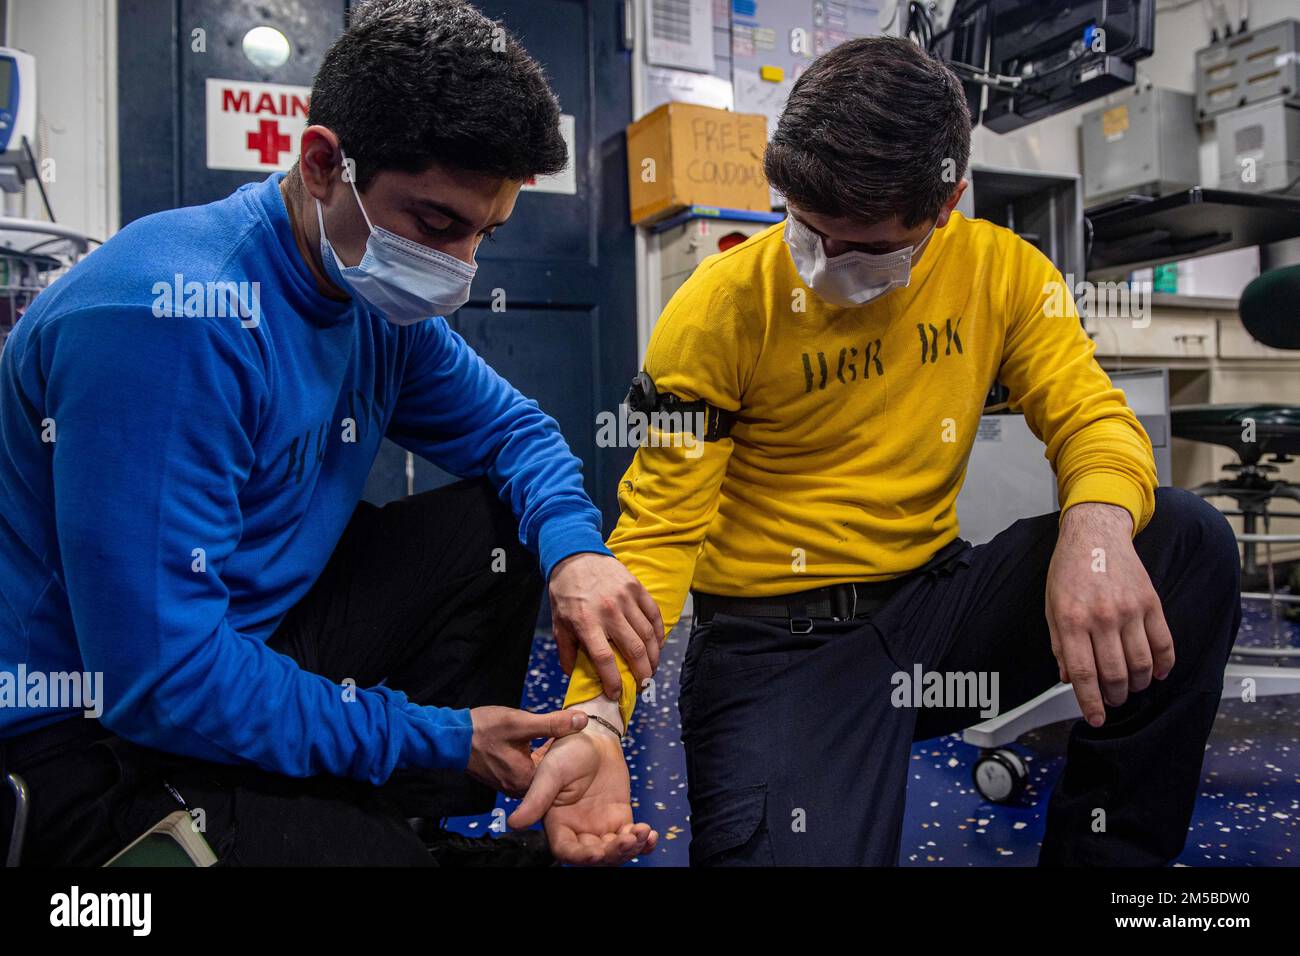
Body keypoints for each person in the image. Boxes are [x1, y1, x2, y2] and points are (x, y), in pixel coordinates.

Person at [0, 0, 659, 866]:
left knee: (495, 527)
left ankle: (397, 809)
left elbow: (519, 434)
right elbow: (161, 680)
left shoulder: (373, 300)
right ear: (321, 164)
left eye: (483, 234)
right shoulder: (164, 318)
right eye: (435, 225)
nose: (461, 268)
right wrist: (430, 733)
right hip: (90, 726)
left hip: (250, 635)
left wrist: (578, 552)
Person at [556, 36, 1241, 866]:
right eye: (807, 229)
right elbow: (658, 533)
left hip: (934, 609)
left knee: (1183, 540)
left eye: (865, 245)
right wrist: (596, 713)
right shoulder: (719, 309)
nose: (825, 263)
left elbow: (1091, 415)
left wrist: (1093, 533)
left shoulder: (1004, 273)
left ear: (947, 201)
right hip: (777, 645)